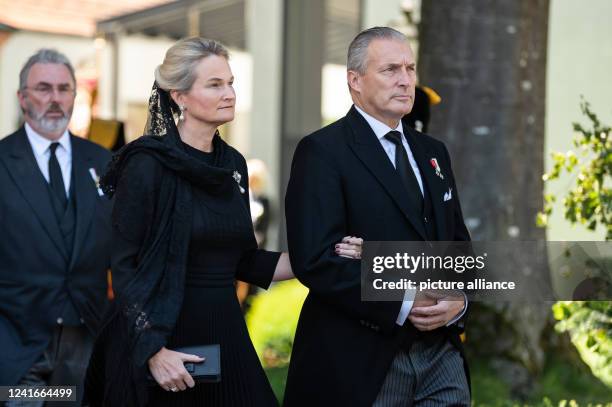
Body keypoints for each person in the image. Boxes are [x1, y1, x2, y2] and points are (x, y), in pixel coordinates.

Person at [84, 37, 362, 407]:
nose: (229, 92)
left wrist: (324, 255)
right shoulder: (146, 165)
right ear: (179, 96)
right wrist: (153, 351)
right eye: (214, 84)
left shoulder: (233, 165)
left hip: (226, 335)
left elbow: (244, 259)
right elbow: (123, 268)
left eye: (230, 82)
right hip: (163, 340)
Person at [284, 27, 471, 406]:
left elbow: (458, 246)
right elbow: (315, 260)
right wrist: (404, 297)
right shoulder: (321, 152)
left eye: (410, 68)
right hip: (363, 356)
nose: (405, 81)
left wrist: (460, 299)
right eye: (390, 70)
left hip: (442, 354)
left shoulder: (434, 151)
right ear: (355, 80)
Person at [0, 49, 112, 405]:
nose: (55, 99)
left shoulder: (103, 162)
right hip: (17, 347)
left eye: (64, 89)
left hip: (86, 342)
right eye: (43, 88)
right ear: (22, 97)